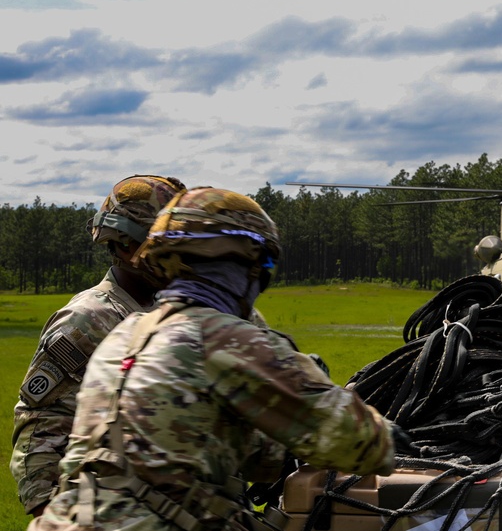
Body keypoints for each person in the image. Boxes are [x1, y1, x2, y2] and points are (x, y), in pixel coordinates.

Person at [28, 186, 397, 531]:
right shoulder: (225, 336)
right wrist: (382, 432)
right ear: (249, 264)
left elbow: (243, 454)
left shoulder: (126, 335)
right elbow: (357, 442)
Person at [11, 174, 186, 517]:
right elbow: (40, 422)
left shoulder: (182, 310)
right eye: (163, 244)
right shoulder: (90, 319)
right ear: (123, 244)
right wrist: (49, 510)